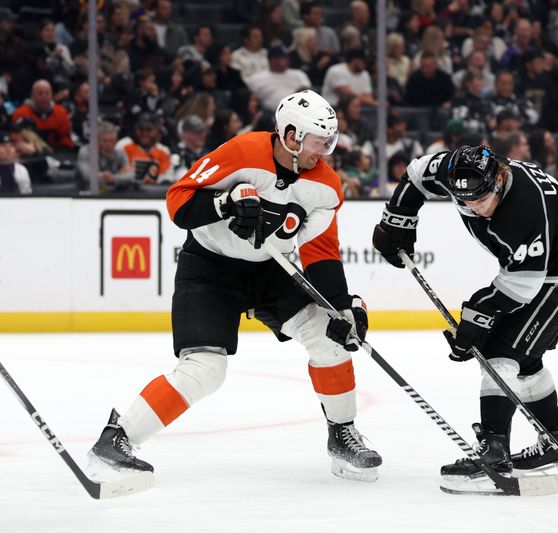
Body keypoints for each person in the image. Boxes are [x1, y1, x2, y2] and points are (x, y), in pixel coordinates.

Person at [89, 89, 382, 482]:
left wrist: (342, 307)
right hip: (209, 269)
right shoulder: (243, 152)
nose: (326, 151)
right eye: (319, 142)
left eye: (330, 141)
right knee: (205, 369)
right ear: (292, 136)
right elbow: (178, 201)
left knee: (330, 339)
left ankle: (342, 434)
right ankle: (118, 438)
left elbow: (321, 252)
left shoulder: (326, 186)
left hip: (269, 271)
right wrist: (223, 204)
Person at [371, 145, 558, 494]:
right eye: (464, 202)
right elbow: (417, 173)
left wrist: (476, 316)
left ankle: (494, 454)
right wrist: (399, 219)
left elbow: (522, 285)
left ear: (498, 178)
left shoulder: (524, 207)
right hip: (540, 271)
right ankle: (555, 443)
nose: (475, 209)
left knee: (501, 351)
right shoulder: (454, 170)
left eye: (482, 199)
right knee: (525, 357)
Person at [0, 131, 32, 195]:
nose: (8, 150)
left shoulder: (20, 169)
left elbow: (26, 195)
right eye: (3, 146)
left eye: (11, 146)